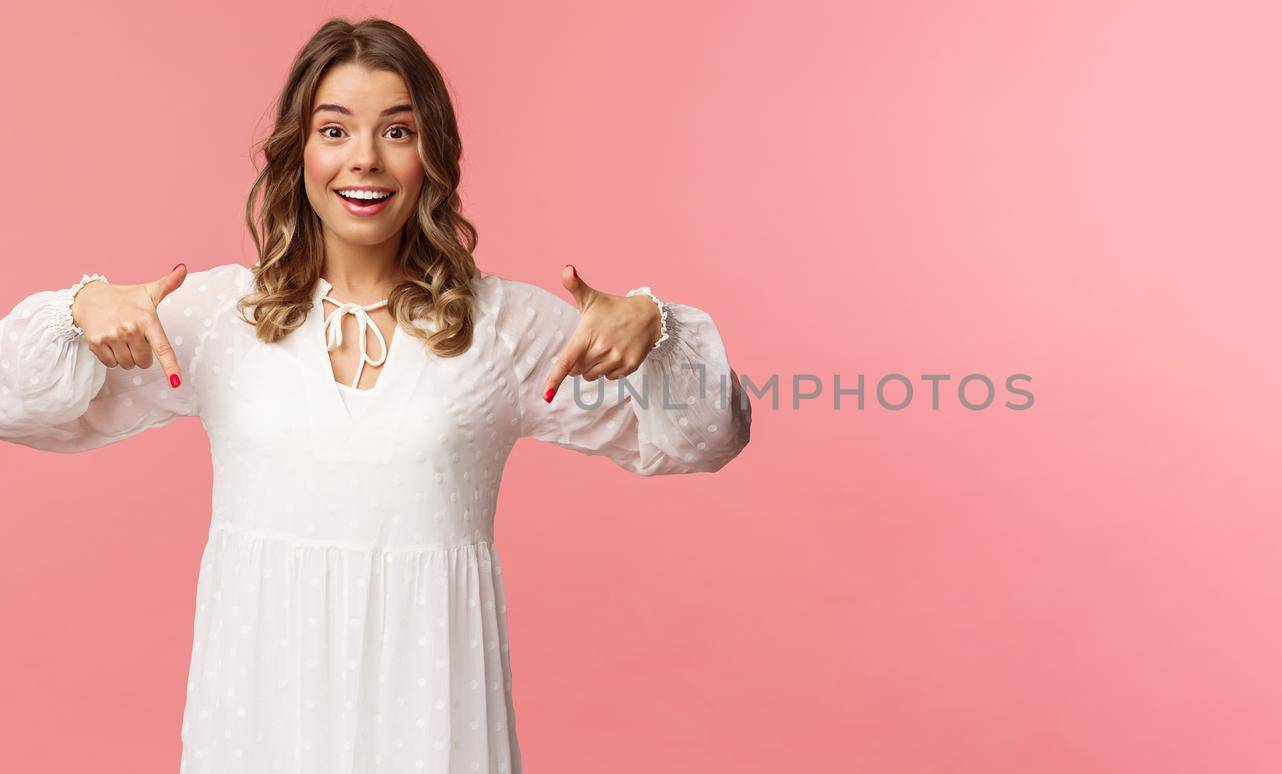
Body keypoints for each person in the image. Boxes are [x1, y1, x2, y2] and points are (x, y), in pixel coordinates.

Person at [0, 17, 751, 774]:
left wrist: (655, 329)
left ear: (434, 154)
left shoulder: (501, 328)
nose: (365, 159)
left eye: (398, 131)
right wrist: (80, 309)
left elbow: (705, 438)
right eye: (335, 130)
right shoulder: (224, 317)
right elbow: (11, 402)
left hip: (432, 718)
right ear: (297, 153)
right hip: (259, 719)